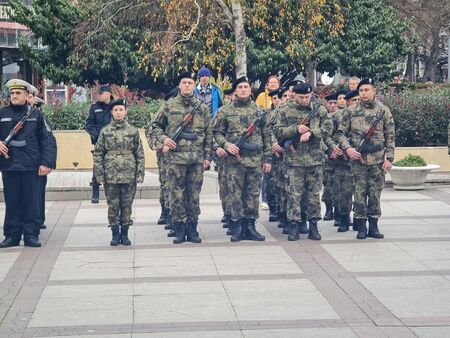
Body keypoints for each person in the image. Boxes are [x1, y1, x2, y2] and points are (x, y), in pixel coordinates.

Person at [152, 71, 212, 244]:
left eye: (190, 83)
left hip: (196, 160)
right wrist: (164, 139)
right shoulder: (169, 106)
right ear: (179, 85)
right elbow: (154, 126)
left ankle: (192, 229)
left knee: (194, 196)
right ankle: (179, 228)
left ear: (195, 86)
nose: (187, 85)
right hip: (175, 160)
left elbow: (209, 134)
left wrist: (208, 157)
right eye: (184, 82)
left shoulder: (201, 108)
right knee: (177, 195)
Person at [213, 76, 272, 242]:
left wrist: (267, 159)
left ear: (250, 90)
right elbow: (216, 132)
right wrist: (226, 145)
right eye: (240, 87)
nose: (244, 90)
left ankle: (251, 226)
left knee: (253, 194)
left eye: (246, 87)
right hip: (234, 162)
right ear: (235, 91)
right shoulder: (225, 111)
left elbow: (267, 136)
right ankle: (238, 226)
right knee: (235, 194)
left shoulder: (259, 112)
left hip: (255, 160)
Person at [337, 78, 395, 239]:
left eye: (366, 90)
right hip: (358, 161)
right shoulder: (351, 111)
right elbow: (340, 133)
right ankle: (361, 226)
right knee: (359, 194)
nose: (363, 93)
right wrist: (347, 148)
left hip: (377, 160)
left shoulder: (383, 111)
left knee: (375, 194)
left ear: (374, 91)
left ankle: (374, 227)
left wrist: (389, 158)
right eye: (361, 91)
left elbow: (390, 135)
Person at [0, 79, 51, 248]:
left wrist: (46, 163)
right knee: (12, 201)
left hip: (31, 165)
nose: (14, 96)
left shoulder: (36, 114)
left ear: (26, 95)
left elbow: (46, 140)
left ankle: (31, 234)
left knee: (31, 201)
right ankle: (12, 235)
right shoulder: (2, 113)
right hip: (9, 165)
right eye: (12, 93)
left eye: (18, 93)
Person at [274, 83, 327, 241]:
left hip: (314, 161)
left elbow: (328, 128)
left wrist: (311, 133)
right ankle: (294, 226)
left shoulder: (319, 110)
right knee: (294, 196)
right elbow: (277, 130)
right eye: (301, 97)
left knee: (313, 195)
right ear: (294, 95)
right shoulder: (284, 110)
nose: (304, 100)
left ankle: (313, 226)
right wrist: (296, 130)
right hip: (293, 161)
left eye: (307, 97)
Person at [94, 99, 145, 246]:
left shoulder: (133, 131)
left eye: (121, 110)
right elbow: (98, 154)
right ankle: (115, 234)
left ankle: (125, 233)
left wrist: (140, 174)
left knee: (127, 205)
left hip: (129, 174)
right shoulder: (105, 131)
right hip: (111, 174)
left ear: (125, 112)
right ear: (111, 112)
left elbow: (139, 154)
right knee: (113, 205)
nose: (118, 113)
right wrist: (99, 174)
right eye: (116, 110)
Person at [28, 86, 57, 231]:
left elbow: (50, 142)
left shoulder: (42, 121)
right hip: (23, 163)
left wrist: (49, 163)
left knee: (38, 193)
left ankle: (38, 219)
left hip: (39, 163)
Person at [85, 84, 113, 203]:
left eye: (101, 93)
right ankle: (95, 193)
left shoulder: (116, 106)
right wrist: (97, 136)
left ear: (108, 93)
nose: (99, 95)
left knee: (113, 167)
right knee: (97, 167)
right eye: (98, 93)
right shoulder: (94, 107)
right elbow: (89, 125)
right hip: (99, 143)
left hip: (113, 143)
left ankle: (111, 193)